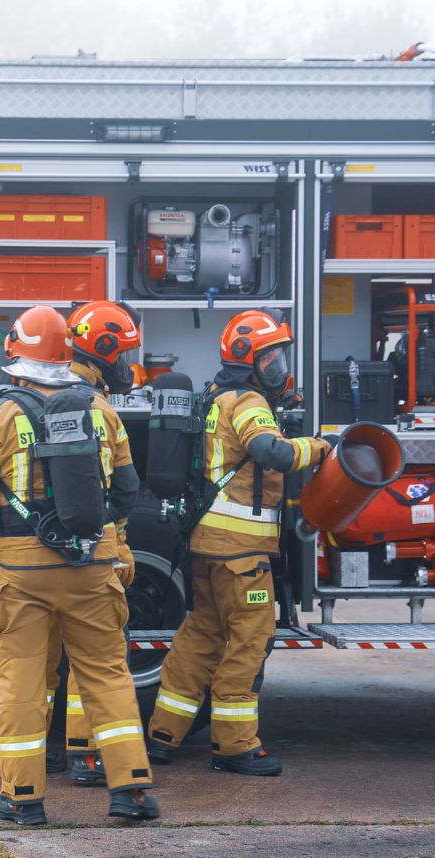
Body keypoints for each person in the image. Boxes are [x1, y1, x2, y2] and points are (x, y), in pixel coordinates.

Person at [0, 305, 159, 825]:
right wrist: (101, 537)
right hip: (92, 569)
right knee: (107, 676)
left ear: (15, 353)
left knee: (19, 682)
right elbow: (127, 492)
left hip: (21, 576)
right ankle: (130, 790)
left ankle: (22, 798)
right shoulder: (102, 411)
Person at [146, 310, 329, 776]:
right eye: (271, 356)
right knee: (248, 641)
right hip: (241, 554)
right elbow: (274, 453)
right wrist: (319, 447)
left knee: (200, 637)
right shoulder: (248, 401)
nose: (278, 366)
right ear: (250, 359)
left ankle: (163, 735)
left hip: (207, 546)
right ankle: (235, 747)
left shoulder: (214, 396)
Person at [52, 300, 142, 786]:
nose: (128, 366)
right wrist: (117, 537)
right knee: (98, 662)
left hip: (36, 556)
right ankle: (87, 756)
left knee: (37, 662)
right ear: (104, 351)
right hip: (95, 556)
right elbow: (125, 488)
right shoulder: (102, 410)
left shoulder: (39, 397)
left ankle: (43, 755)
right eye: (124, 354)